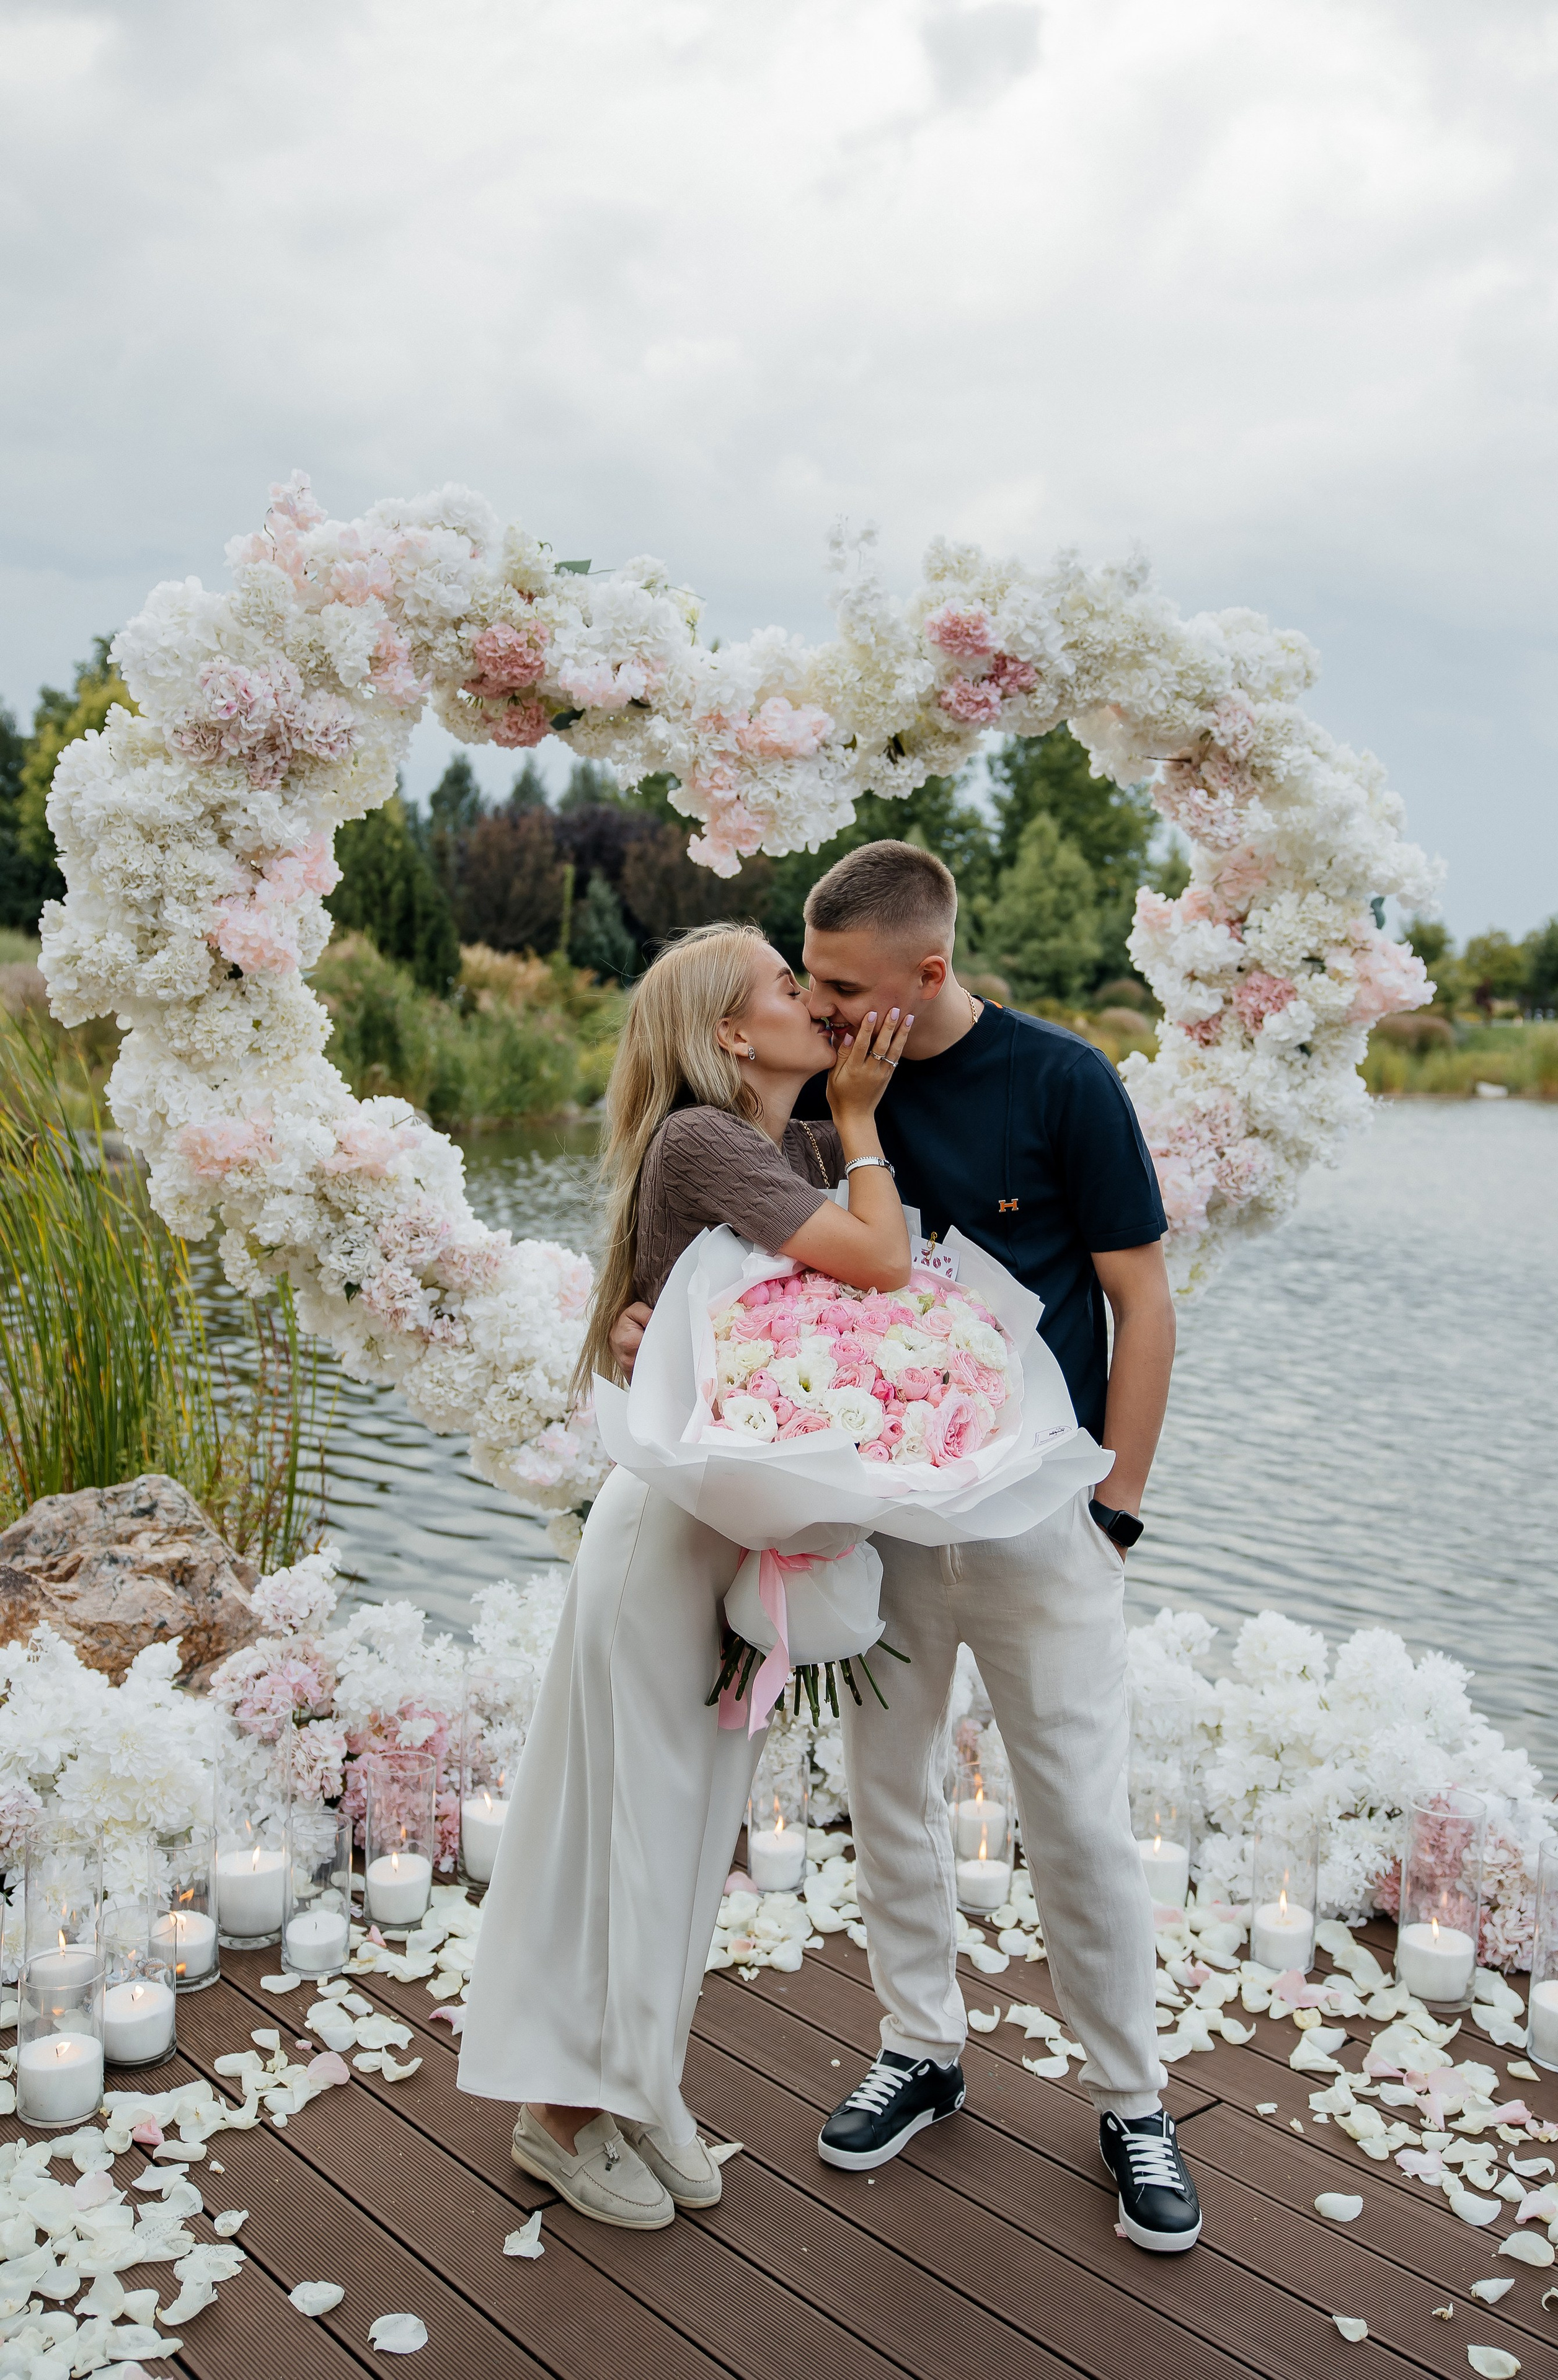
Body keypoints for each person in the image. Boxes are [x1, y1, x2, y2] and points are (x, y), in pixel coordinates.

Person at [611, 841, 1201, 2254]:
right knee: (886, 1790)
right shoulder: (821, 1091)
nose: (816, 1007)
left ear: (924, 974)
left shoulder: (1062, 1082)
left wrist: (1113, 1508)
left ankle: (1129, 2098)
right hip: (869, 1526)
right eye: (804, 983)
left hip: (1039, 1520)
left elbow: (1140, 1300)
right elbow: (730, 1239)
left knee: (1072, 1809)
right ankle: (920, 2047)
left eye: (837, 985)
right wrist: (647, 1328)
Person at [457, 921, 913, 2230]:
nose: (813, 1003)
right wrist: (866, 1117)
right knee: (633, 1829)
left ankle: (640, 2078)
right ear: (728, 1032)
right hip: (664, 1540)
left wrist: (846, 1126)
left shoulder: (799, 1148)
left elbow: (868, 1315)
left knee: (692, 1832)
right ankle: (559, 2119)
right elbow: (875, 1261)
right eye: (787, 985)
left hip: (741, 1541)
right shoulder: (706, 1141)